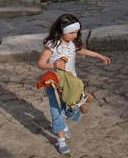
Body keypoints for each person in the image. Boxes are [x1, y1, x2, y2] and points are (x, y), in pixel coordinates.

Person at [38, 14, 111, 155]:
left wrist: (96, 55)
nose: (74, 36)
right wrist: (53, 64)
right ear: (61, 31)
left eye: (76, 33)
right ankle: (60, 140)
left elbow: (78, 50)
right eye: (71, 33)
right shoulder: (52, 46)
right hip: (55, 85)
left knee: (72, 106)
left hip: (72, 83)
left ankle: (65, 119)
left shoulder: (71, 43)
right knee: (57, 111)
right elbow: (40, 64)